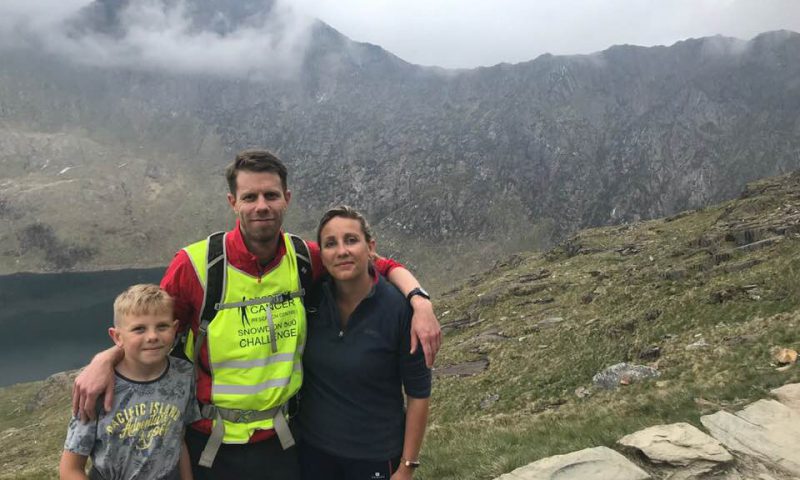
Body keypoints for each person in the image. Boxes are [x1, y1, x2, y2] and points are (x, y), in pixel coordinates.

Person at [72, 149, 441, 480]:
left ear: (287, 199)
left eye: (271, 195)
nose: (261, 205)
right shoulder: (196, 266)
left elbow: (373, 262)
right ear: (233, 202)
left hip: (285, 443)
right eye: (250, 197)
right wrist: (108, 357)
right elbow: (152, 328)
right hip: (209, 445)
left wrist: (419, 300)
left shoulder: (303, 258)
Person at [297, 206, 431, 480]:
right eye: (331, 244)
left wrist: (407, 466)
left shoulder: (399, 310)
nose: (342, 251)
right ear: (321, 255)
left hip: (376, 457)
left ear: (370, 247)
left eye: (351, 240)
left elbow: (418, 392)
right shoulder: (310, 298)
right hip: (312, 452)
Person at [60, 284, 199, 480]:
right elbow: (70, 469)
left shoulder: (183, 374)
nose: (152, 336)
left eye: (162, 326)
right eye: (139, 329)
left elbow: (178, 438)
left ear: (175, 328)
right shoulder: (97, 389)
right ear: (117, 337)